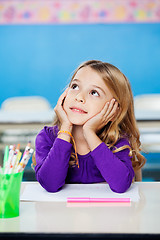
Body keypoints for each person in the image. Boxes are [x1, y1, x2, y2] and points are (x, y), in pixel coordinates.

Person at [34, 60, 146, 193]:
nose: (79, 97)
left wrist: (89, 133)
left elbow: (121, 186)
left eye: (94, 92)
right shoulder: (47, 137)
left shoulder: (118, 141)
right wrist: (65, 129)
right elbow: (50, 185)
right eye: (75, 86)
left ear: (114, 109)